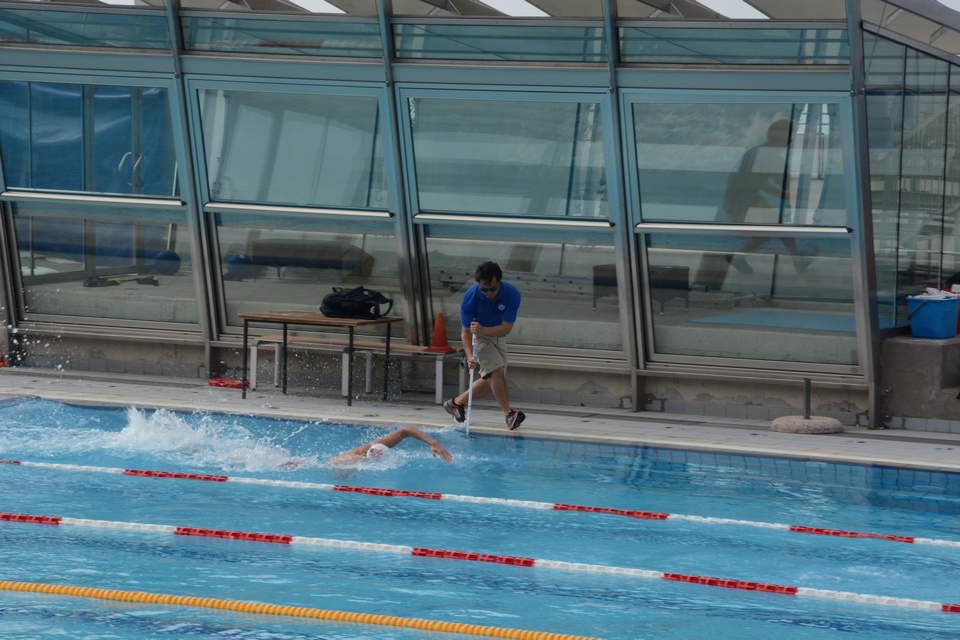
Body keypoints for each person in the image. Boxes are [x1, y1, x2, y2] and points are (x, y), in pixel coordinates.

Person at [695, 119, 809, 288]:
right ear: (786, 140)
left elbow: (760, 182)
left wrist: (785, 196)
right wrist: (791, 196)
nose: (791, 141)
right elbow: (784, 183)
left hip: (739, 201)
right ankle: (738, 257)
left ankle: (797, 261)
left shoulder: (755, 151)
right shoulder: (771, 157)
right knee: (766, 233)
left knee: (780, 228)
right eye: (790, 138)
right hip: (745, 204)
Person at [443, 261, 525, 430]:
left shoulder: (512, 294)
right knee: (496, 372)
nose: (488, 293)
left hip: (497, 335)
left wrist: (485, 329)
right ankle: (509, 415)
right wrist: (469, 356)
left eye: (492, 289)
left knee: (492, 381)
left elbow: (507, 328)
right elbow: (465, 332)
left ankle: (456, 403)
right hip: (478, 337)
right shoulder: (470, 298)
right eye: (484, 289)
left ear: (499, 282)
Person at [325, 426, 452, 465]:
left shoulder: (377, 445)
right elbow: (329, 464)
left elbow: (405, 430)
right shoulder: (349, 460)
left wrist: (434, 443)